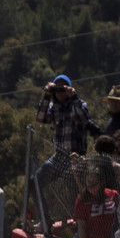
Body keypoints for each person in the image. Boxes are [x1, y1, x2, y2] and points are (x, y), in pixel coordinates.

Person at [33, 74, 95, 221]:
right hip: (59, 157)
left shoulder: (79, 103)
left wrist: (74, 98)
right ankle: (45, 219)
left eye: (63, 87)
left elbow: (84, 119)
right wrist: (47, 95)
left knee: (75, 192)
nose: (60, 91)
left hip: (76, 157)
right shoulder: (53, 107)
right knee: (35, 181)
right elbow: (40, 118)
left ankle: (79, 223)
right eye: (57, 88)